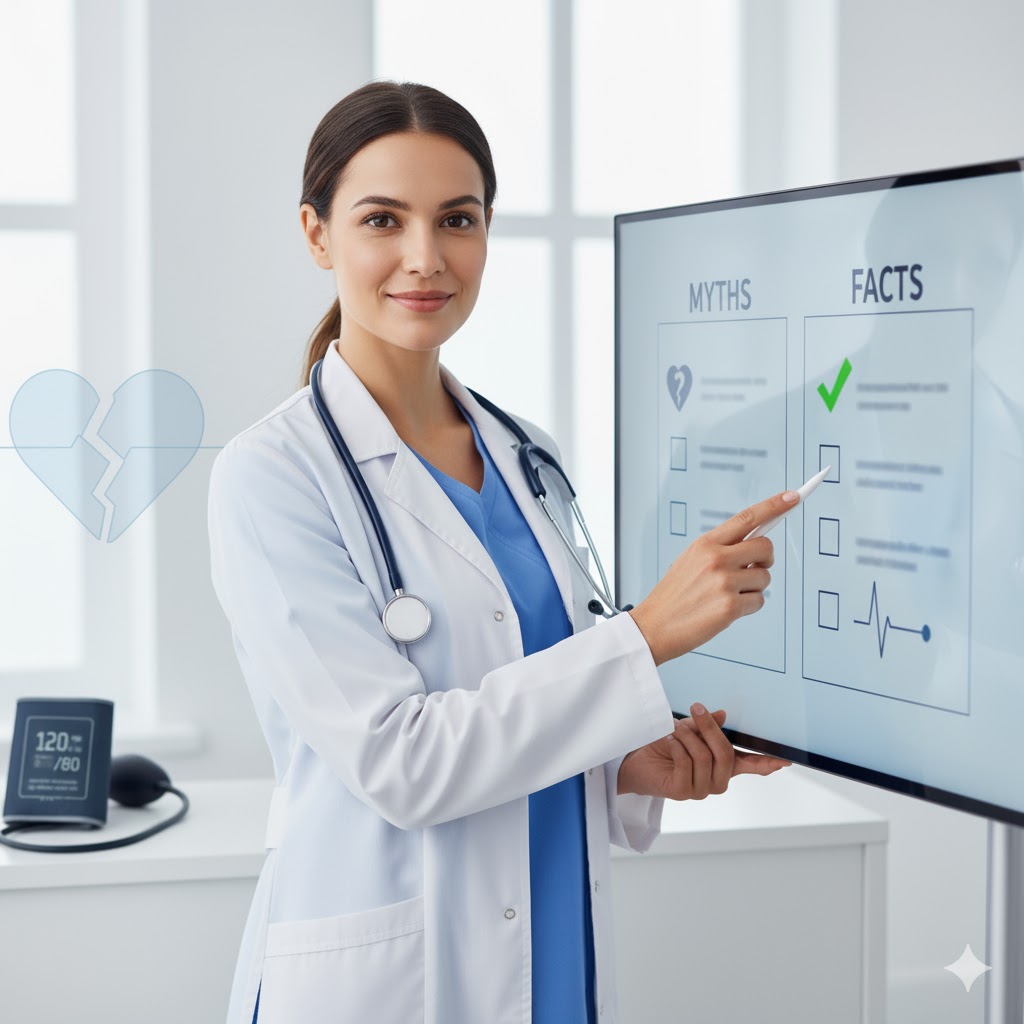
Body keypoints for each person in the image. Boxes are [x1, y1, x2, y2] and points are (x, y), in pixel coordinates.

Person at [207, 80, 794, 1024]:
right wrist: (646, 636)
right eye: (383, 220)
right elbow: (402, 763)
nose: (426, 257)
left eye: (458, 219)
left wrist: (626, 764)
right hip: (395, 977)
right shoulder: (271, 476)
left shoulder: (529, 457)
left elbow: (539, 694)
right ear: (317, 234)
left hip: (553, 942)